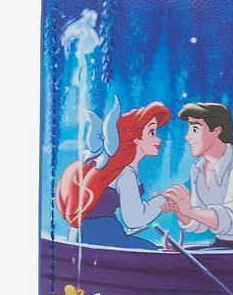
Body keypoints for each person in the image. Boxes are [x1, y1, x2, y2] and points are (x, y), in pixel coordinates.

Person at [56, 101, 170, 249]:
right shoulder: (125, 174)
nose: (158, 139)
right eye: (152, 133)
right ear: (135, 138)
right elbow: (134, 219)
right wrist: (162, 200)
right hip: (102, 237)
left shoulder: (114, 170)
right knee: (155, 253)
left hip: (82, 235)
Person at [162, 102, 233, 247]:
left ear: (216, 131)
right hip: (220, 245)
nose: (187, 136)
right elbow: (200, 224)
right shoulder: (198, 167)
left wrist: (189, 211)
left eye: (195, 129)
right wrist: (180, 210)